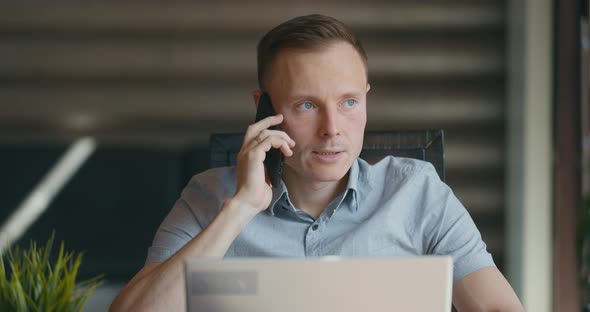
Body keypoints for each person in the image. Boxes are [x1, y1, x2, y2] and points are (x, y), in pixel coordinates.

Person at [110, 14, 524, 311]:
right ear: (264, 109)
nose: (332, 129)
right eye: (307, 104)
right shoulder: (208, 196)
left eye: (348, 102)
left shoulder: (418, 191)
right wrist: (239, 210)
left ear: (366, 98)